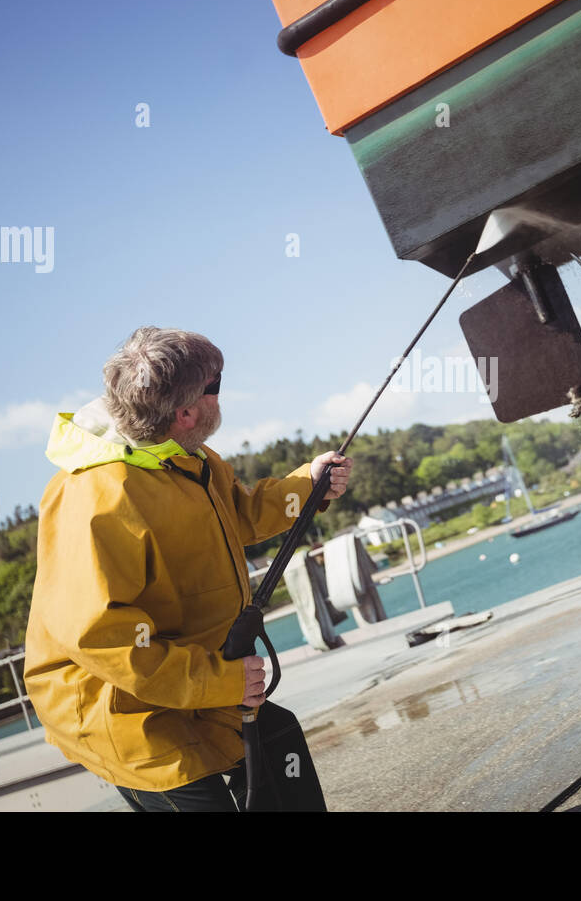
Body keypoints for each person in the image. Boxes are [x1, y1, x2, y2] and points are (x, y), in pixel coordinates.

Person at [23, 327, 351, 811]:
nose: (223, 394)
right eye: (215, 386)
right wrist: (221, 681)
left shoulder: (187, 458)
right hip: (119, 706)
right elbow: (101, 638)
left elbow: (234, 513)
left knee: (280, 745)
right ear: (186, 412)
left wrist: (308, 486)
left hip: (190, 676)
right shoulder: (97, 499)